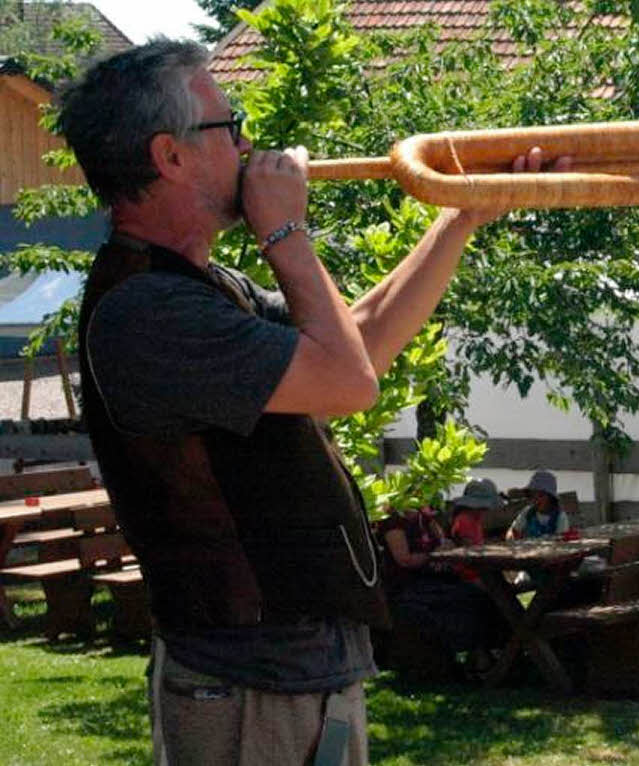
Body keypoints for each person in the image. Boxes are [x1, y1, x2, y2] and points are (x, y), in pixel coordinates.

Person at [60, 39, 566, 765]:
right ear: (170, 156)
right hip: (247, 683)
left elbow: (354, 345)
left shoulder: (197, 289)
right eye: (229, 128)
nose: (249, 144)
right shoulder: (147, 312)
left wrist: (459, 217)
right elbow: (349, 383)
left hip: (286, 673)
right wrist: (283, 232)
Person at [376, 503, 504, 678]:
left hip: (436, 578)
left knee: (480, 595)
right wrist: (432, 556)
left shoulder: (426, 519)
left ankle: (488, 655)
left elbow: (444, 542)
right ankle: (478, 659)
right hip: (408, 585)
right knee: (461, 600)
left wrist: (444, 548)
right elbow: (404, 559)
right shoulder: (393, 523)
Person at [506, 470, 569, 540]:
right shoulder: (528, 512)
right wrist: (512, 535)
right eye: (533, 495)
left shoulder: (560, 517)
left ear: (551, 498)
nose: (536, 499)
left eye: (541, 495)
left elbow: (561, 540)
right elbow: (513, 530)